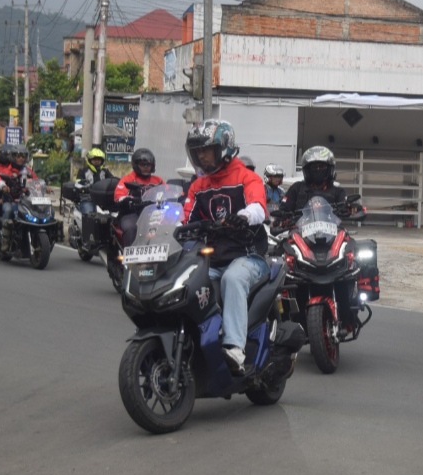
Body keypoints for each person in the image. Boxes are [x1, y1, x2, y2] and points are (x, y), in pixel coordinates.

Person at [182, 120, 269, 374]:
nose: (201, 155)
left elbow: (258, 208)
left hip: (247, 256)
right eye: (197, 150)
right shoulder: (198, 186)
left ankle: (234, 348)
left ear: (225, 147)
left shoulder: (246, 177)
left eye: (207, 149)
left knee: (233, 278)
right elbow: (184, 216)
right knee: (187, 284)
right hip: (212, 260)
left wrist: (243, 216)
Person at [114, 148, 165, 246]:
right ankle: (130, 257)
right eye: (142, 165)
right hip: (131, 213)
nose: (146, 167)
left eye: (148, 165)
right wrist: (129, 200)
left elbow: (168, 192)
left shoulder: (158, 180)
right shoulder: (128, 179)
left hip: (154, 214)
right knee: (131, 227)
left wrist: (179, 197)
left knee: (169, 227)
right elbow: (119, 196)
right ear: (136, 165)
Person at [0, 144, 36, 241]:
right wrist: (3, 188)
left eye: (23, 156)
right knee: (3, 208)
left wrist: (44, 187)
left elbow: (36, 180)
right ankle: (3, 234)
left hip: (21, 198)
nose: (21, 159)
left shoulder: (27, 170)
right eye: (18, 156)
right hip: (5, 197)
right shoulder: (3, 169)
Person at [279, 146, 348, 213]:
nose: (318, 170)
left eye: (322, 166)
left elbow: (345, 206)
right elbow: (284, 208)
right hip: (300, 224)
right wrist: (281, 218)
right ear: (307, 170)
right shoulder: (297, 188)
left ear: (330, 169)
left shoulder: (338, 192)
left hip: (330, 224)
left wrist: (351, 207)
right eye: (314, 167)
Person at [76, 147, 115, 216]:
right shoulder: (83, 171)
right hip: (88, 199)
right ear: (90, 160)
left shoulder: (105, 171)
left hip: (103, 200)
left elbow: (112, 180)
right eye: (95, 159)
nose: (97, 161)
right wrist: (84, 187)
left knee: (115, 214)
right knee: (89, 217)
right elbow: (77, 184)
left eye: (99, 159)